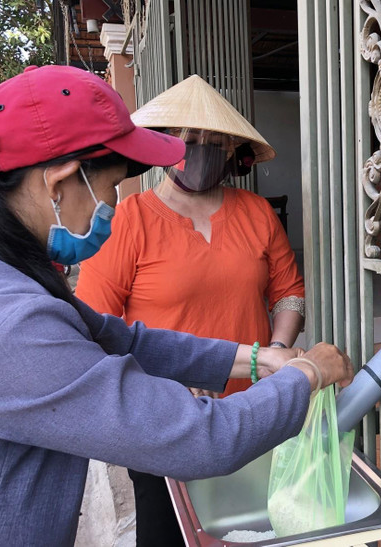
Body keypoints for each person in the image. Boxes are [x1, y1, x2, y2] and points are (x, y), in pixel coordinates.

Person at [0, 65, 353, 546]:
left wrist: (261, 358)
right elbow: (204, 441)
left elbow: (124, 337)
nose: (113, 204)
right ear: (59, 182)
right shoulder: (6, 324)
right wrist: (308, 374)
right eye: (111, 185)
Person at [75, 75, 306, 545]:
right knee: (168, 533)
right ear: (160, 147)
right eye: (185, 139)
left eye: (210, 141)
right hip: (164, 421)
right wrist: (161, 381)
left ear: (230, 151)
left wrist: (277, 354)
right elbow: (95, 327)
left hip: (254, 410)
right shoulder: (128, 222)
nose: (197, 150)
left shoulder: (257, 213)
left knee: (247, 529)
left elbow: (289, 292)